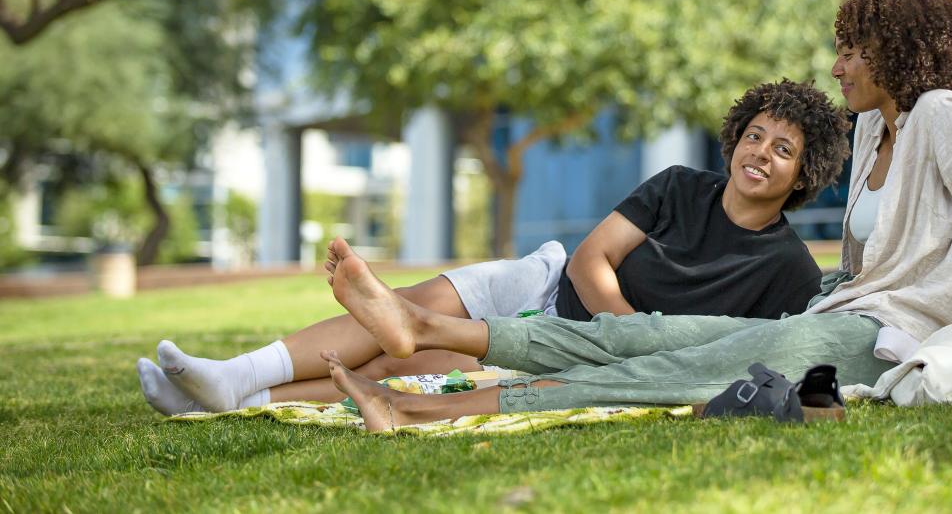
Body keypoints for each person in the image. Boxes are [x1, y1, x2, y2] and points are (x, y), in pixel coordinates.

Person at [316, 0, 952, 432]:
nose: (837, 66)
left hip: (888, 336)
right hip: (844, 314)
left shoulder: (944, 115)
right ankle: (423, 330)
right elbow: (868, 266)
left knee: (661, 368)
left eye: (850, 50)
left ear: (891, 53)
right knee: (643, 333)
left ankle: (415, 412)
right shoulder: (875, 126)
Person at [138, 79, 851, 414]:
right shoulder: (679, 186)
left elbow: (743, 352)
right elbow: (590, 259)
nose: (761, 152)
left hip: (562, 347)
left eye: (783, 149)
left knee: (400, 357)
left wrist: (625, 353)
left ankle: (228, 396)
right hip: (546, 290)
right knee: (406, 304)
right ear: (735, 136)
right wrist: (627, 335)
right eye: (755, 135)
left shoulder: (789, 267)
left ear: (804, 174)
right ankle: (233, 372)